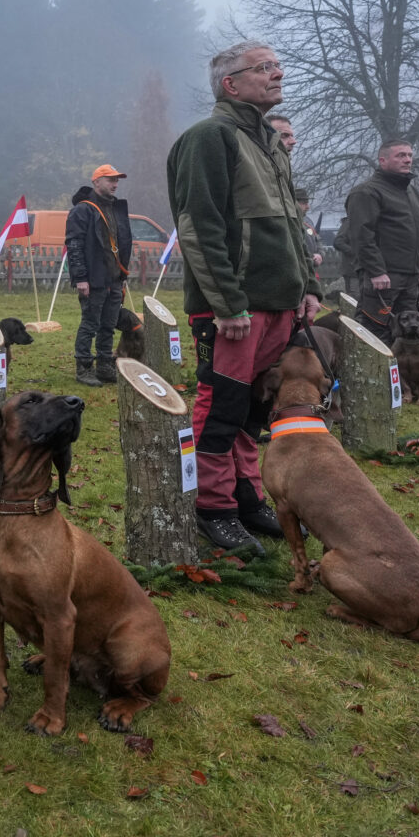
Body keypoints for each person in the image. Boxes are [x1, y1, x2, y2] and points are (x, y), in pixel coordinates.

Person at [168, 40, 321, 555]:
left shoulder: (270, 141)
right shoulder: (209, 138)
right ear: (230, 84)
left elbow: (291, 225)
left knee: (250, 411)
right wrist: (227, 303)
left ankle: (246, 497)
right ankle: (212, 507)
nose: (278, 74)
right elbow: (199, 227)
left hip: (278, 303)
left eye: (278, 65)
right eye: (264, 67)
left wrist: (308, 286)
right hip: (234, 308)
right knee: (221, 406)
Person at [340, 141, 419, 346]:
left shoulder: (412, 193)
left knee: (407, 335)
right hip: (383, 277)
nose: (407, 160)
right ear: (382, 160)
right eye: (400, 155)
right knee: (375, 331)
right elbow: (361, 236)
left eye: (409, 155)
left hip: (411, 277)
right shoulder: (366, 192)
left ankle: (400, 369)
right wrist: (376, 271)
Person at [67, 164, 132, 387]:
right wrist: (80, 278)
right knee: (90, 324)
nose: (115, 184)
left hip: (114, 278)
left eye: (117, 180)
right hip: (93, 279)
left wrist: (122, 275)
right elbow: (74, 245)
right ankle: (84, 367)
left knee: (108, 325)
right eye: (110, 179)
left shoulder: (115, 208)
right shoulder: (82, 210)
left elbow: (122, 244)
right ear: (96, 182)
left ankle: (105, 366)